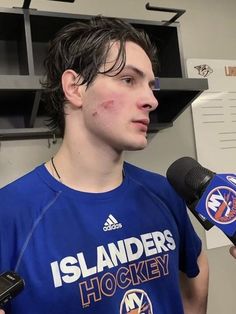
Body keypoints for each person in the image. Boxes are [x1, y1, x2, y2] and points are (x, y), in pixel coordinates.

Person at [0, 16, 209, 314]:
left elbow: (196, 263)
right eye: (128, 80)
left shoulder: (163, 192)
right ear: (75, 88)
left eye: (151, 86)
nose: (151, 100)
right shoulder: (8, 213)